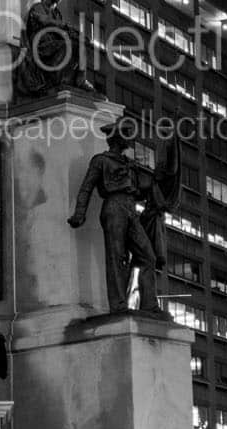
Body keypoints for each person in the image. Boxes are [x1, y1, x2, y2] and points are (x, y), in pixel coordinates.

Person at [67, 118, 168, 316]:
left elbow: (141, 190)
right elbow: (87, 188)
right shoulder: (101, 161)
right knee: (116, 256)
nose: (130, 140)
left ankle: (149, 305)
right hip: (113, 208)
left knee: (148, 256)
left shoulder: (130, 165)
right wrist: (80, 213)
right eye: (126, 135)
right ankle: (119, 305)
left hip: (131, 209)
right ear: (118, 138)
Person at [13, 0, 94, 99]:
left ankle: (80, 80)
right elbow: (45, 21)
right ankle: (60, 79)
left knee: (79, 46)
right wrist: (65, 27)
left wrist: (76, 35)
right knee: (66, 46)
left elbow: (61, 31)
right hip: (41, 45)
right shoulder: (37, 7)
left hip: (54, 44)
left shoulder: (57, 13)